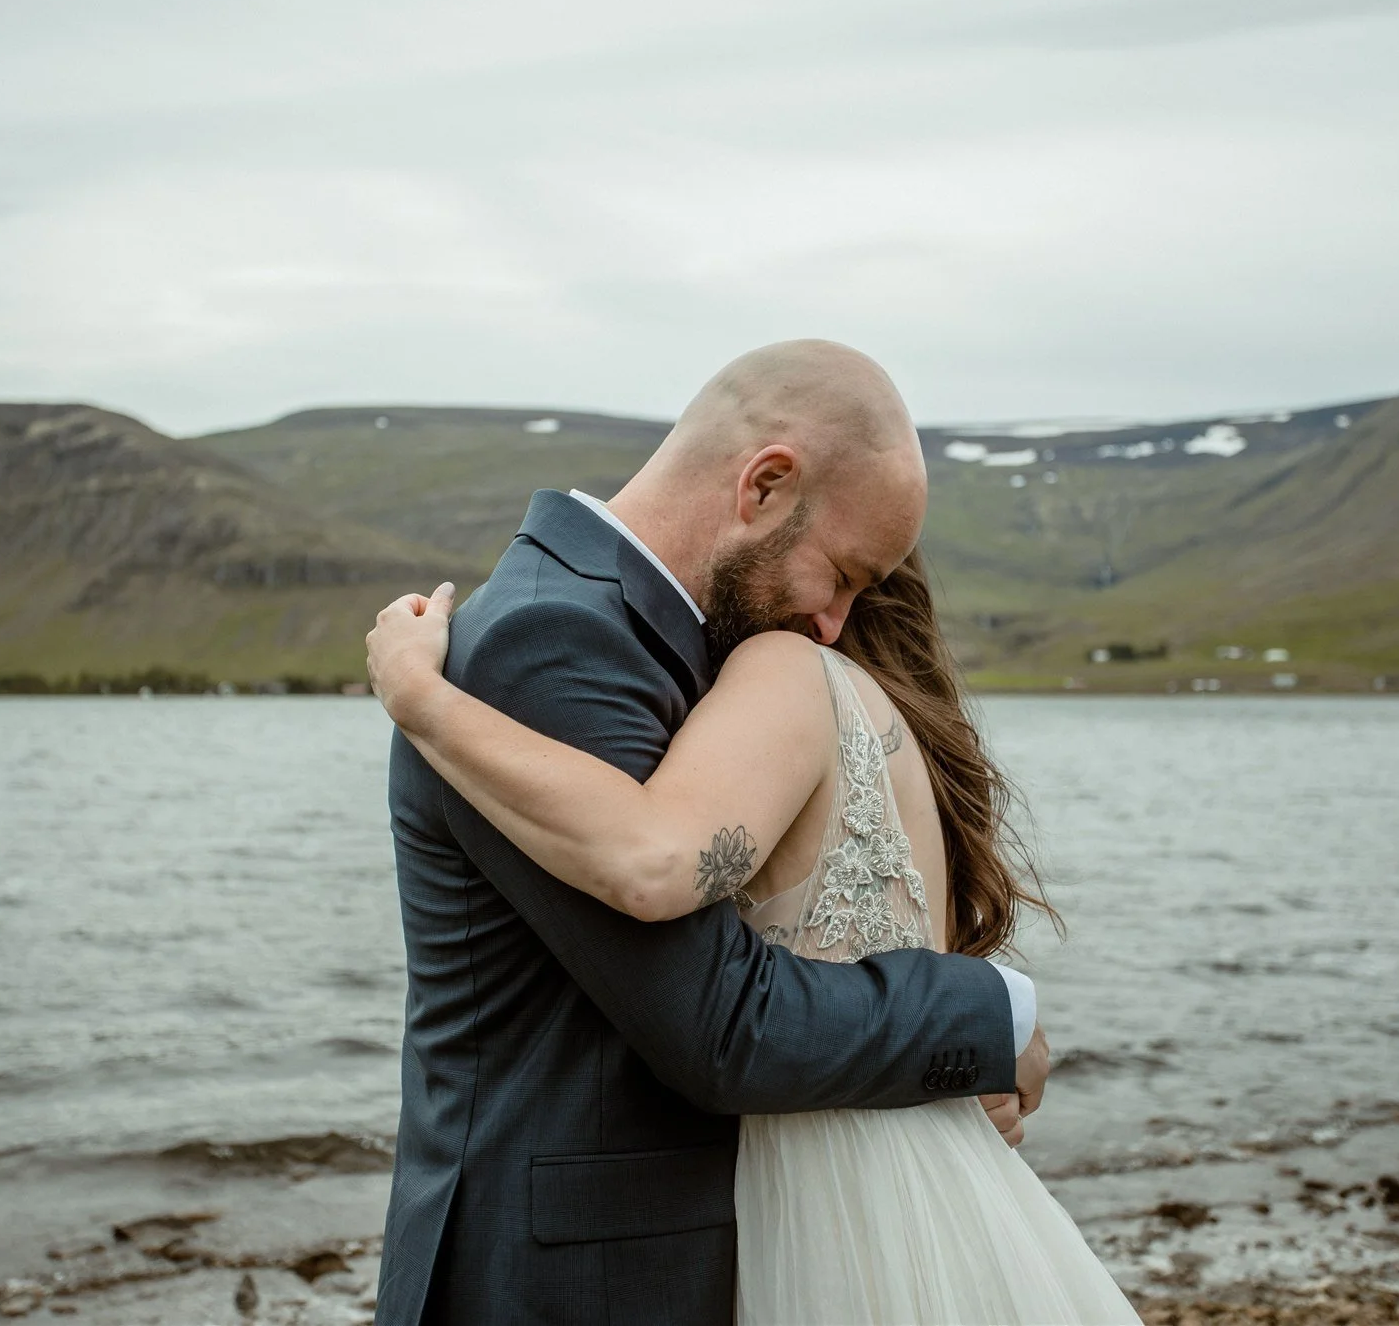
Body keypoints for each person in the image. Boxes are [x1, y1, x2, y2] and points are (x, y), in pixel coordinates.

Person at [369, 341, 1092, 1325]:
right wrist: (987, 1020)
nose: (834, 624)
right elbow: (714, 1023)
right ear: (763, 485)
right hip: (565, 1281)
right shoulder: (552, 637)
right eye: (836, 573)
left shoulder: (703, 648)